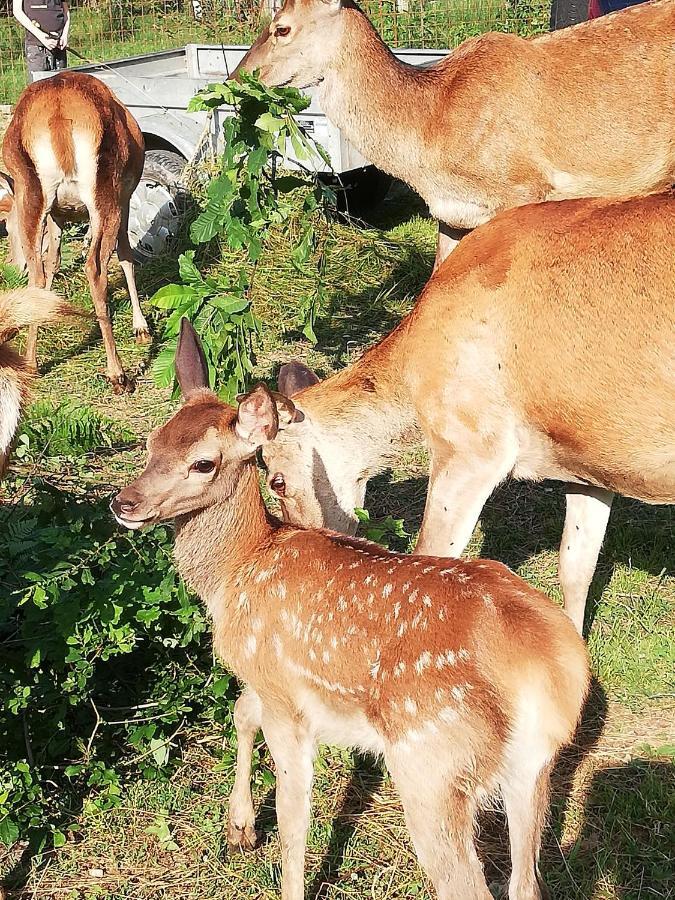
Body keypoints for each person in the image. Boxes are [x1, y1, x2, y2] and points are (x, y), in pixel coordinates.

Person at [12, 0, 69, 80]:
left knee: (60, 87)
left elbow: (66, 11)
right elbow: (17, 11)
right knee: (39, 87)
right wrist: (42, 37)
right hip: (37, 48)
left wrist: (64, 35)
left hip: (59, 46)